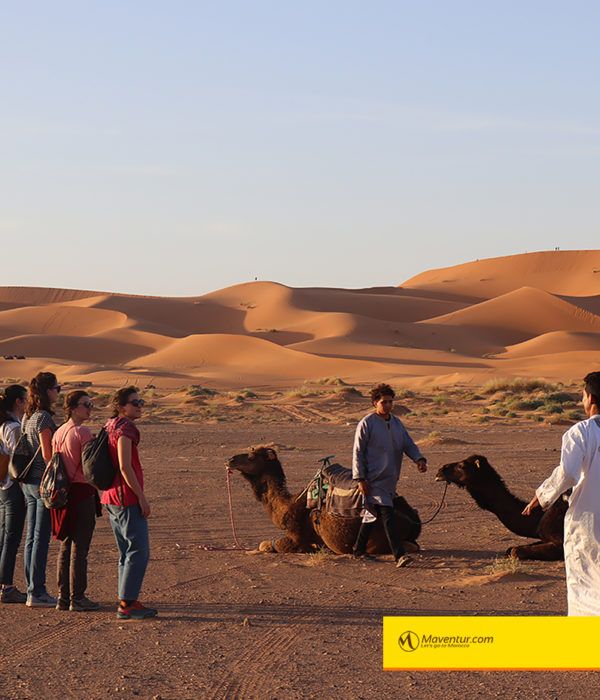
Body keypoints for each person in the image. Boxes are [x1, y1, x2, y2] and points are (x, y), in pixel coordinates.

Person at [523, 371, 600, 616]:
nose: (581, 401)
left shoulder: (581, 433)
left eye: (582, 396)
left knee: (588, 584)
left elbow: (568, 472)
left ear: (590, 398)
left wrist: (543, 496)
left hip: (589, 521)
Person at [352, 383, 427, 568]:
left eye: (390, 402)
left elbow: (408, 444)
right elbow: (358, 452)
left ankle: (358, 550)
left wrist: (419, 459)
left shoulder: (396, 423)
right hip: (372, 479)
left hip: (390, 478)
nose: (387, 405)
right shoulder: (366, 423)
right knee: (388, 515)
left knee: (371, 515)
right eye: (383, 402)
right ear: (374, 403)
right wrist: (360, 478)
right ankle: (399, 555)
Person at [102, 387, 157, 620]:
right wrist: (142, 498)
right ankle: (127, 603)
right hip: (126, 497)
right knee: (138, 551)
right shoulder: (125, 428)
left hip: (111, 496)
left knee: (127, 551)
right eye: (135, 402)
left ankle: (126, 598)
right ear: (122, 407)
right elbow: (125, 466)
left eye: (140, 401)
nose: (139, 406)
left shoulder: (109, 425)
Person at [52, 391, 101, 612]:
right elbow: (90, 466)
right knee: (80, 548)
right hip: (81, 492)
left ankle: (63, 597)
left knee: (66, 546)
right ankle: (77, 597)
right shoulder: (82, 431)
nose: (90, 408)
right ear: (72, 408)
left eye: (90, 404)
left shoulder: (58, 432)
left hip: (63, 495)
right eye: (85, 404)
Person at [21, 372, 59, 606]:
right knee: (40, 538)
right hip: (41, 483)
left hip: (28, 483)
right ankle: (37, 591)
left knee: (31, 538)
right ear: (47, 391)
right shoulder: (43, 418)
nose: (58, 392)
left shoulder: (29, 416)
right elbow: (47, 455)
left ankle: (31, 590)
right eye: (57, 388)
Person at [0, 385, 28, 603]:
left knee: (4, 537)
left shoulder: (4, 424)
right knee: (11, 539)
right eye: (25, 399)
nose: (27, 402)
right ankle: (7, 587)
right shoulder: (13, 427)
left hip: (3, 487)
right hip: (13, 487)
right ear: (18, 402)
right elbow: (18, 461)